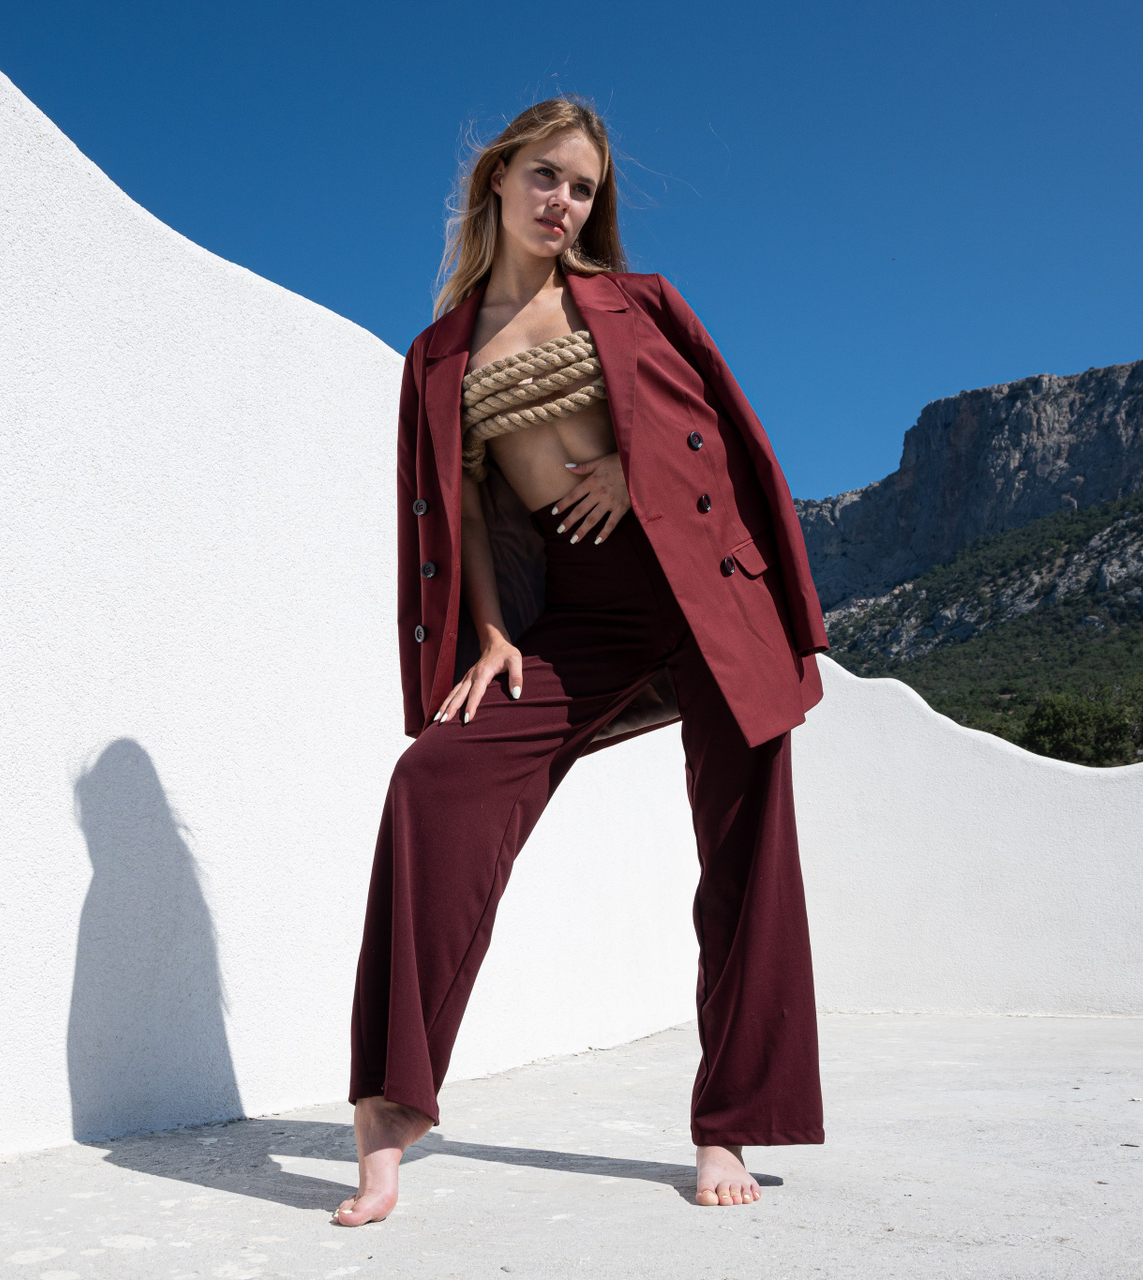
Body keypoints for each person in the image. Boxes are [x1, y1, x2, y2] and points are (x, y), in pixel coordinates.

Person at [336, 97, 830, 1225]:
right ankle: (391, 1106)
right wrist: (493, 632)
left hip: (708, 590)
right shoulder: (439, 356)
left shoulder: (637, 302)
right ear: (498, 178)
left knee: (744, 855)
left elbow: (722, 428)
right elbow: (462, 505)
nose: (564, 203)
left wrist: (633, 468)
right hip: (584, 613)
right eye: (547, 177)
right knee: (434, 782)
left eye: (585, 188)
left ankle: (725, 1121)